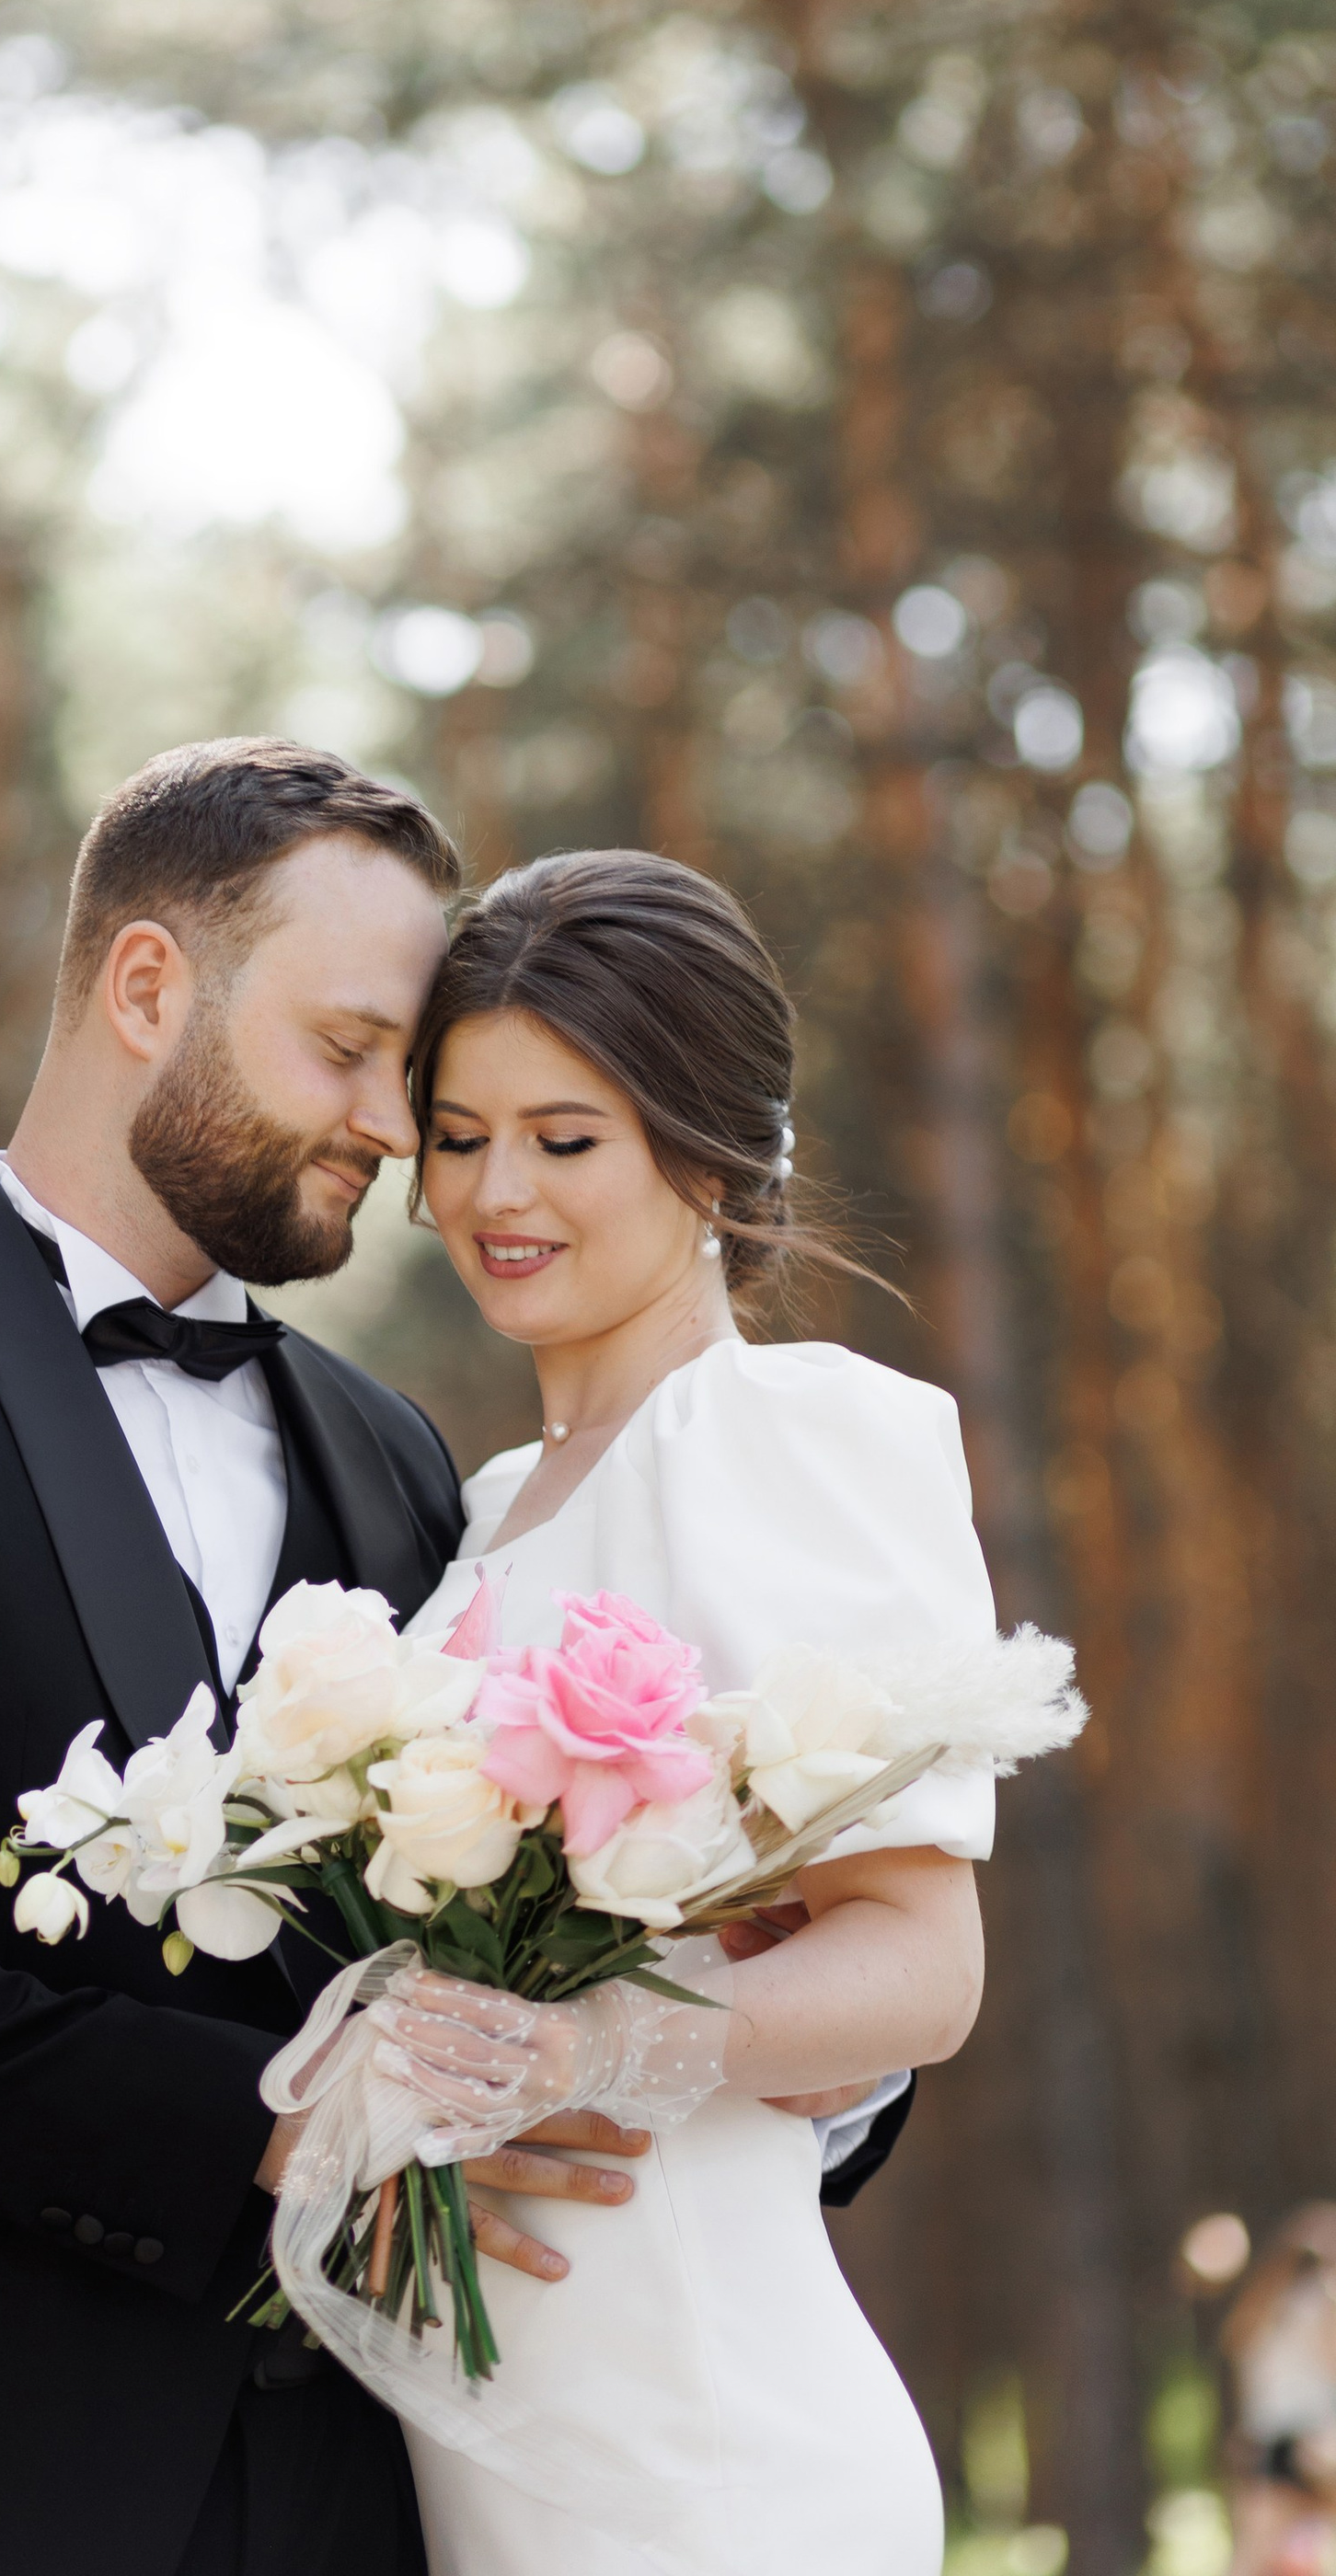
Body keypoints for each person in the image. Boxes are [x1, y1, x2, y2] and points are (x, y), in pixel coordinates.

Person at [0, 747, 908, 2576]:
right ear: (147, 987)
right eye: (348, 1049)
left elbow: (516, 1941)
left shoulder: (396, 1463)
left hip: (349, 2514)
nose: (393, 1123)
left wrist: (763, 2048)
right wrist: (273, 2126)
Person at [359, 846, 994, 2576]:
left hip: (710, 2441)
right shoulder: (490, 1508)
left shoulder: (783, 1438)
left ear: (710, 1155)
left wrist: (588, 2049)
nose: (503, 1190)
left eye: (569, 1139)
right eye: (462, 1132)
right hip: (513, 2433)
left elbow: (924, 1964)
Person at [1227, 2206, 1336, 2576]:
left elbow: (1243, 2366)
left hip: (1269, 2440)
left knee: (1256, 2553)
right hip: (1315, 2440)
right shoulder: (1320, 2303)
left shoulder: (1260, 2310)